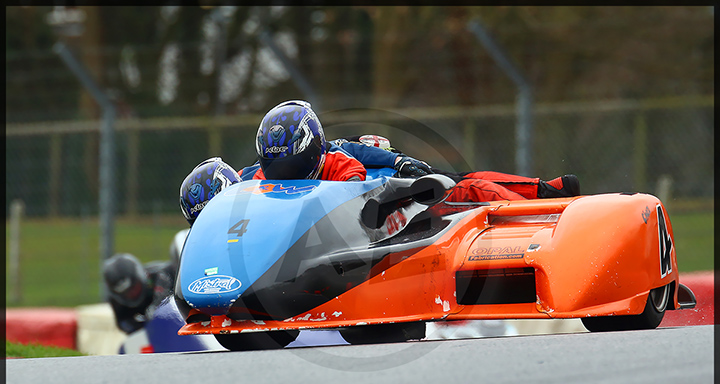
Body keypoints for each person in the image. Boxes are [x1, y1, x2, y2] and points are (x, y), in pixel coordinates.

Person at [178, 99, 580, 224]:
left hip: (392, 196)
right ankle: (546, 190)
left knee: (463, 188)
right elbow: (241, 191)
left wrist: (402, 164)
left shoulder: (337, 162)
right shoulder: (255, 176)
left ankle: (546, 200)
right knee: (463, 179)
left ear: (309, 148)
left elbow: (353, 177)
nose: (282, 173)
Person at [102, 229, 188, 334]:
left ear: (141, 277)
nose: (132, 294)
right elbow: (125, 324)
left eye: (134, 288)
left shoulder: (164, 276)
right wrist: (146, 326)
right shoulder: (117, 302)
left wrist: (156, 311)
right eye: (126, 294)